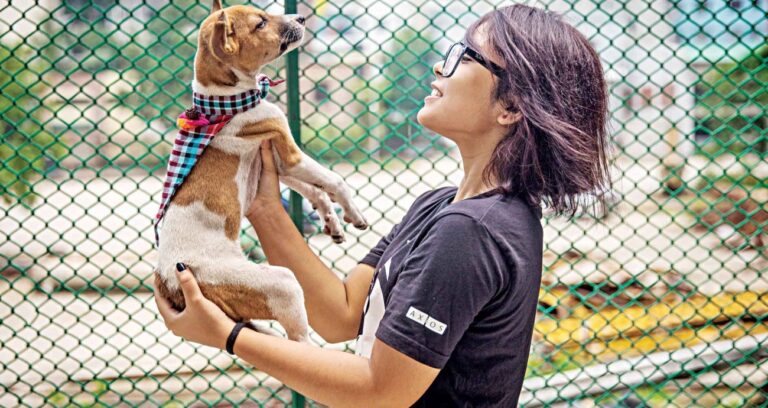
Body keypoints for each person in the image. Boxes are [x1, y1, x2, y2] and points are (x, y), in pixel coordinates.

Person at [154, 4, 612, 407]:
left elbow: (380, 393)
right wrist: (265, 207)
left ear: (510, 107)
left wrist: (229, 337)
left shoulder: (473, 232)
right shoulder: (440, 207)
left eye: (462, 56)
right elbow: (341, 314)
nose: (439, 66)